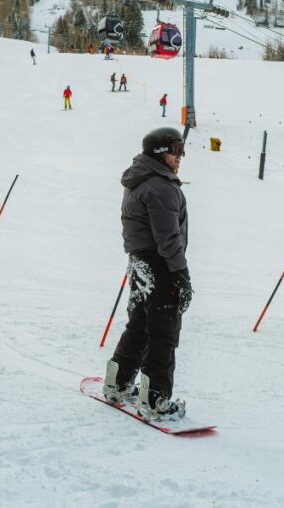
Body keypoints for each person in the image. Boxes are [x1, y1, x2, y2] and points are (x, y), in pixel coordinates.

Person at [103, 127, 191, 419]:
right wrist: (181, 273)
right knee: (164, 331)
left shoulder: (138, 180)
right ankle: (155, 400)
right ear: (158, 152)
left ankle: (118, 381)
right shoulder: (160, 186)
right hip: (161, 265)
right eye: (175, 150)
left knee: (139, 324)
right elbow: (169, 238)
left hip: (141, 262)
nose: (180, 157)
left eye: (181, 150)